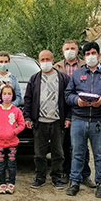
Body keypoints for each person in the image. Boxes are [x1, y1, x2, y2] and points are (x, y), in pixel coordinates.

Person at [65, 41, 101, 197]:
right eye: (88, 54)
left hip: (99, 121)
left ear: (99, 54)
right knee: (77, 153)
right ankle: (74, 182)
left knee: (99, 154)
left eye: (93, 53)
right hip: (79, 119)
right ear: (84, 56)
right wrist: (77, 100)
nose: (91, 56)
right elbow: (67, 95)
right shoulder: (77, 74)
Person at [24, 50, 70, 190]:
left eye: (47, 59)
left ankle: (57, 178)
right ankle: (40, 178)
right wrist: (27, 116)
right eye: (42, 60)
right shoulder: (34, 79)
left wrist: (68, 117)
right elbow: (28, 99)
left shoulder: (63, 78)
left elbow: (68, 100)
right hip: (40, 122)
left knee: (58, 153)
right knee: (39, 154)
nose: (45, 62)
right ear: (39, 61)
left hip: (57, 122)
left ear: (53, 60)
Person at [54, 40, 90, 186]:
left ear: (77, 50)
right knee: (65, 143)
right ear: (63, 51)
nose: (70, 51)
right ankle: (66, 172)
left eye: (72, 48)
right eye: (67, 48)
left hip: (82, 109)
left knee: (82, 145)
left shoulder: (85, 66)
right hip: (63, 109)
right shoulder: (56, 67)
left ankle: (85, 174)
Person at [0, 51, 22, 183]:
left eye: (5, 61)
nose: (3, 64)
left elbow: (18, 96)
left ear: (9, 62)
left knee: (11, 147)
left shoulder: (13, 78)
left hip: (11, 119)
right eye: (0, 61)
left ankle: (11, 174)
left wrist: (9, 107)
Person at [0, 85, 25, 194]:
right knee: (1, 164)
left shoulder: (16, 111)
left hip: (12, 142)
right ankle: (2, 183)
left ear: (13, 96)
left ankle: (11, 183)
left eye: (9, 94)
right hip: (0, 142)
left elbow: (22, 124)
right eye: (4, 94)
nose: (7, 96)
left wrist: (14, 132)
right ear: (1, 96)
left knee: (11, 163)